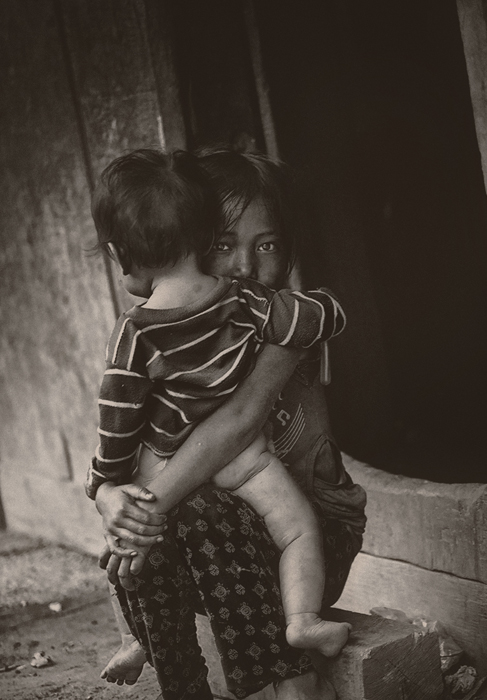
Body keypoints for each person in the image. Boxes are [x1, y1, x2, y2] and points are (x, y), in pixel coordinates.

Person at [93, 148, 367, 700]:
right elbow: (121, 432)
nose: (244, 265)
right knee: (157, 516)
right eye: (222, 244)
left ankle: (295, 680)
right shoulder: (168, 328)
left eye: (266, 245)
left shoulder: (271, 320)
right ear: (190, 243)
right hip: (220, 548)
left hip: (312, 539)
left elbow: (237, 425)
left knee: (186, 508)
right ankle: (148, 644)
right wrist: (108, 495)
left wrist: (143, 505)